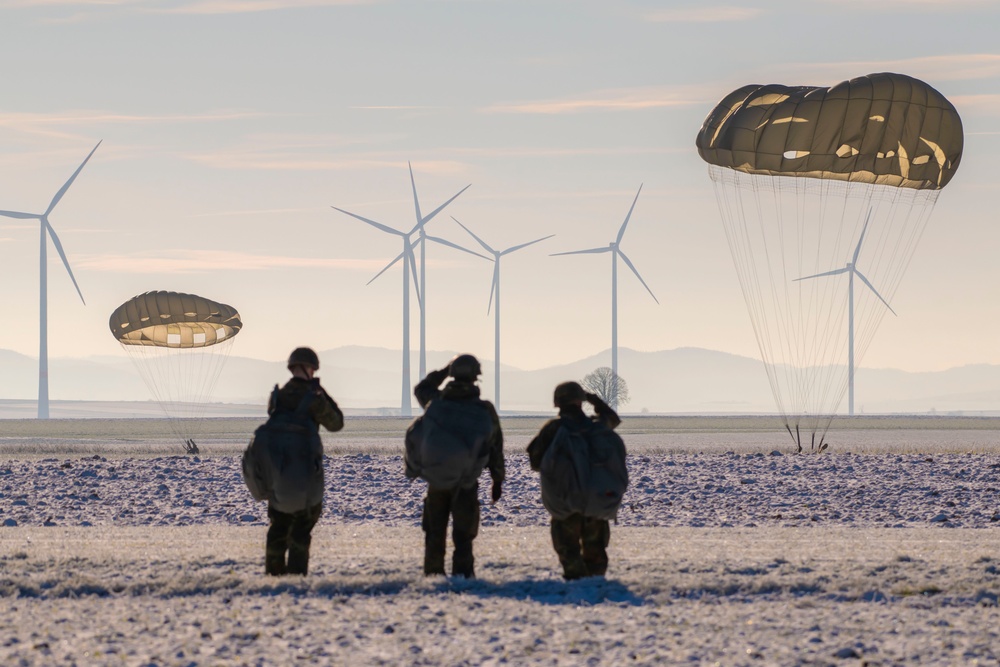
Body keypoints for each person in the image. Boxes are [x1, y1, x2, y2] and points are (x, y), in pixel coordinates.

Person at [408, 354, 504, 578]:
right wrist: (497, 479)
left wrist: (444, 370)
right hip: (466, 482)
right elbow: (495, 446)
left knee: (434, 533)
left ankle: (433, 575)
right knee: (463, 536)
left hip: (437, 480)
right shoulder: (484, 409)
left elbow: (421, 387)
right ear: (475, 378)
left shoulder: (436, 402)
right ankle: (463, 576)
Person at [527, 381, 622, 580]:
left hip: (566, 500)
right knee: (595, 549)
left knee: (568, 549)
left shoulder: (554, 429)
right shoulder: (597, 427)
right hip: (595, 498)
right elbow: (613, 419)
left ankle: (576, 583)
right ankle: (596, 585)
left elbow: (535, 461)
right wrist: (594, 400)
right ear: (580, 401)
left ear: (557, 403)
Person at [263, 347, 344, 576]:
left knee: (278, 528)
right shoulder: (314, 398)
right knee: (300, 531)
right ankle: (296, 579)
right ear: (311, 369)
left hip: (278, 474)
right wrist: (321, 393)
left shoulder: (277, 396)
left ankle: (273, 578)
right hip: (306, 477)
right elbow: (336, 423)